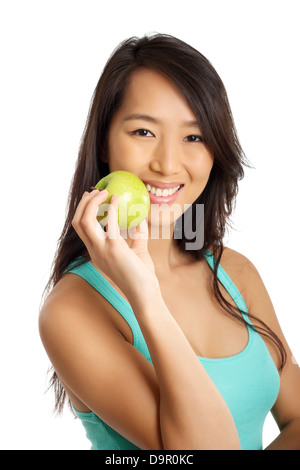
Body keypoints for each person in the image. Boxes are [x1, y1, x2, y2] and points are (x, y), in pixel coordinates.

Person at [39, 34, 300, 450]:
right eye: (143, 131)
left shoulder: (234, 272)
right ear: (104, 142)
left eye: (194, 137)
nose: (167, 163)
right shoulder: (72, 309)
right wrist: (146, 295)